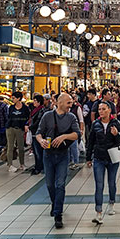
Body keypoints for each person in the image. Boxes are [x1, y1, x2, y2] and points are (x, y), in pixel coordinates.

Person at [35, 93, 80, 229]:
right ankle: (55, 203)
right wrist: (41, 140)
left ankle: (58, 214)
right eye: (68, 103)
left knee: (60, 184)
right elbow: (38, 133)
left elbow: (77, 134)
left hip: (62, 155)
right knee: (49, 184)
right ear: (59, 103)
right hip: (48, 155)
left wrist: (64, 136)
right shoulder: (47, 116)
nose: (70, 106)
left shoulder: (71, 117)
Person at [86, 101, 120, 224]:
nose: (100, 111)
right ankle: (98, 212)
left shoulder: (116, 123)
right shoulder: (95, 124)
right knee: (99, 185)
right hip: (99, 158)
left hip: (113, 158)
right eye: (99, 109)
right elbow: (90, 141)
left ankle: (111, 203)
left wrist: (116, 134)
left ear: (109, 110)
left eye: (103, 109)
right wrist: (88, 158)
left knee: (111, 183)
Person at [5, 92, 28, 172]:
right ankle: (10, 165)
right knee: (10, 147)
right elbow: (8, 116)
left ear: (18, 98)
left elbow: (27, 118)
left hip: (20, 129)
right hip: (10, 128)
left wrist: (26, 125)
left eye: (14, 98)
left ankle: (22, 164)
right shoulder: (11, 107)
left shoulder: (25, 108)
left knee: (21, 147)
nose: (12, 99)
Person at [28, 95, 48, 175]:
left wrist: (30, 127)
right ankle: (38, 166)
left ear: (39, 102)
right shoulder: (35, 110)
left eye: (35, 100)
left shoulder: (41, 110)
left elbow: (38, 122)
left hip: (38, 133)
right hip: (34, 132)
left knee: (38, 151)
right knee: (36, 151)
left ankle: (39, 167)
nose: (34, 102)